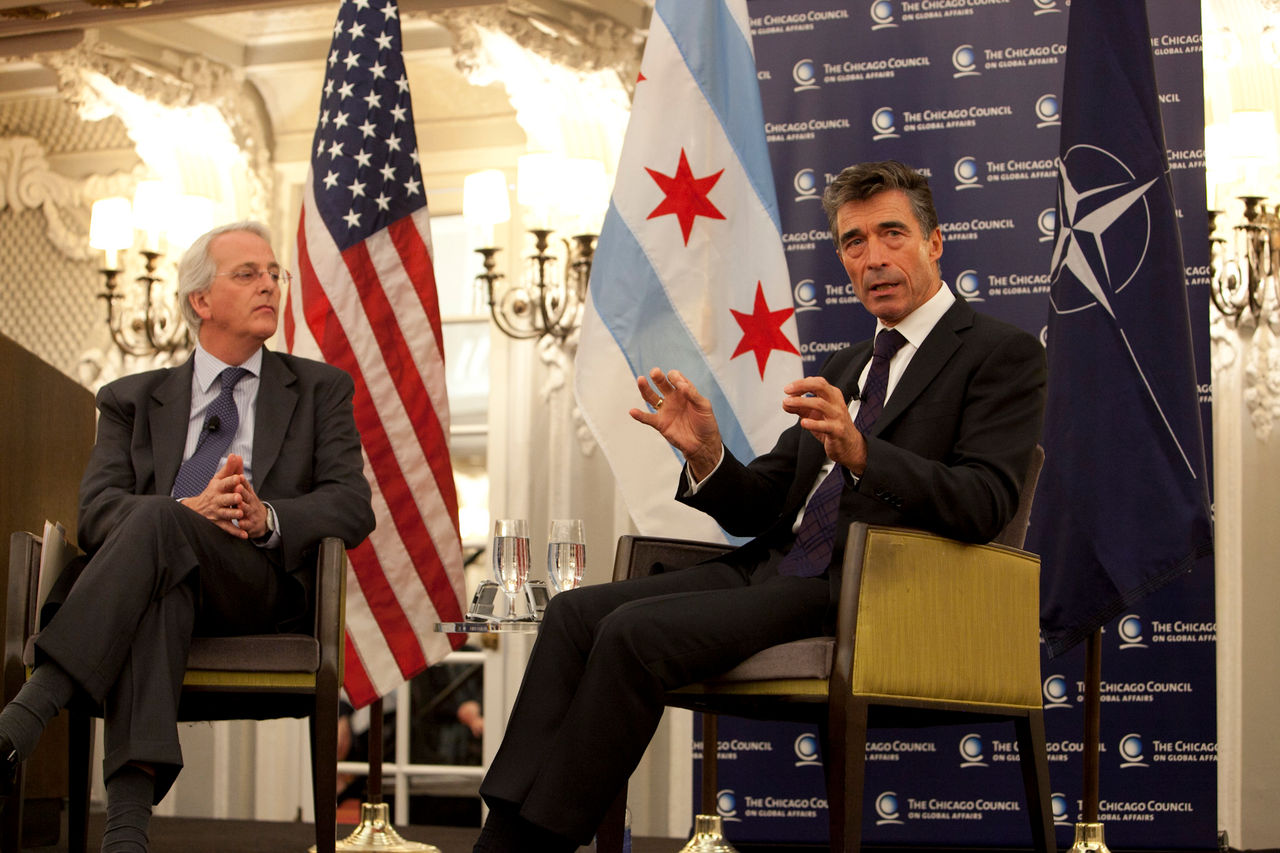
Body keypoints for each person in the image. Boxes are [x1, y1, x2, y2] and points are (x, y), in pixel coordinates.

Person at [472, 160, 1047, 853]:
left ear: (934, 242)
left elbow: (986, 502)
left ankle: (532, 846)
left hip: (862, 590)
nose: (873, 257)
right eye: (853, 241)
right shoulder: (846, 366)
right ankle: (499, 839)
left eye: (891, 233)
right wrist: (708, 455)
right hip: (768, 568)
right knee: (572, 614)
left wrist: (864, 453)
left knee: (630, 634)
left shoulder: (999, 354)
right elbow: (765, 504)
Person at [0, 221, 375, 852]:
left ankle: (28, 713)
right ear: (201, 300)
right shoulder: (129, 399)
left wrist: (266, 518)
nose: (270, 285)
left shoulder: (320, 389)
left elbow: (351, 505)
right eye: (247, 273)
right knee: (161, 562)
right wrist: (186, 512)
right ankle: (126, 835)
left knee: (157, 521)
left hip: (254, 587)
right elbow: (97, 512)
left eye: (274, 272)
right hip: (153, 585)